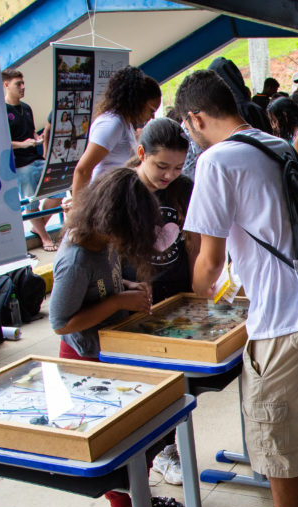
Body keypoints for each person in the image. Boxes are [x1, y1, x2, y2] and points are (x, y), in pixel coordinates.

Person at [176, 70, 298, 507]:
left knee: (275, 433)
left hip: (281, 323)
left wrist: (193, 300)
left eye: (188, 126)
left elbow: (208, 260)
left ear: (197, 118)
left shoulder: (217, 160)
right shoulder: (271, 141)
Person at [49, 168, 183, 507]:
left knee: (136, 430)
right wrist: (118, 301)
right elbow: (61, 321)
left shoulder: (101, 241)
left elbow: (102, 284)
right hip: (85, 357)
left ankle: (138, 493)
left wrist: (126, 287)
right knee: (111, 437)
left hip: (109, 348)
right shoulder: (76, 258)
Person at [122, 117, 198, 486]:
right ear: (141, 154)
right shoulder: (122, 189)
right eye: (161, 166)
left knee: (177, 384)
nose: (169, 175)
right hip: (137, 300)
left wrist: (199, 289)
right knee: (144, 387)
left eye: (178, 167)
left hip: (178, 294)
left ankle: (168, 450)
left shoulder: (184, 188)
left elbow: (195, 241)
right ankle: (150, 457)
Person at [71, 66, 160, 200]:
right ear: (137, 101)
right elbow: (82, 170)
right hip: (102, 200)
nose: (152, 117)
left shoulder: (125, 123)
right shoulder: (113, 123)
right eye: (151, 110)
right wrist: (77, 213)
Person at [2, 68, 62, 251]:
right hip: (21, 164)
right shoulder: (1, 110)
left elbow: (31, 133)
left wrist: (38, 139)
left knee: (59, 190)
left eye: (23, 83)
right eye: (17, 84)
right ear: (6, 85)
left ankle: (38, 227)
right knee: (31, 201)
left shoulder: (26, 108)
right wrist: (23, 144)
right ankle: (44, 237)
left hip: (36, 159)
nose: (22, 87)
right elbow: (1, 141)